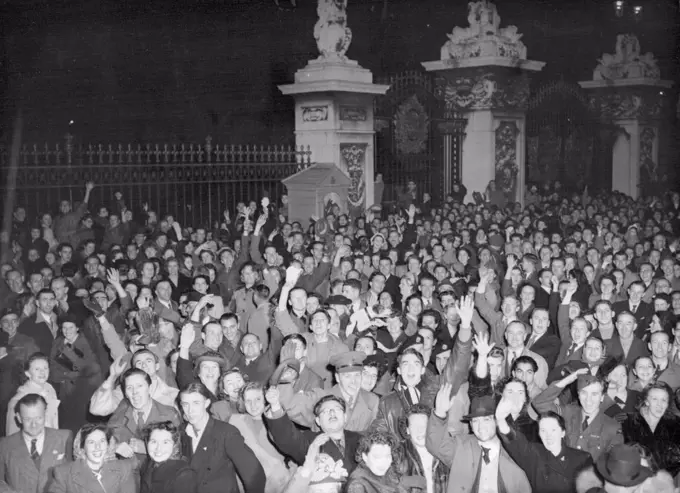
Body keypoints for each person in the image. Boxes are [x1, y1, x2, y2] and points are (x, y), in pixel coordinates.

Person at [426, 383, 531, 493]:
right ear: (470, 424)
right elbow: (435, 445)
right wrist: (439, 413)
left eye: (486, 420)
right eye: (475, 421)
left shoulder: (513, 451)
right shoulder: (461, 446)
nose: (481, 427)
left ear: (496, 421)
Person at [179, 382, 266, 493]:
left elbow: (254, 473)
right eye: (185, 404)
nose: (190, 410)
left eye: (196, 403)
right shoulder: (181, 434)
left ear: (206, 403)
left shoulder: (226, 433)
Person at [496, 402, 593, 493]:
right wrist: (500, 419)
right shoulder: (535, 454)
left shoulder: (582, 459)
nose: (548, 435)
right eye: (543, 430)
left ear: (563, 432)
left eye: (553, 430)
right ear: (539, 434)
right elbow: (515, 441)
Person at [229, 382, 294, 493]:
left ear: (265, 399)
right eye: (248, 401)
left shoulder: (277, 420)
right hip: (245, 484)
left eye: (257, 399)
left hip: (278, 483)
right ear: (243, 403)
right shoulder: (235, 422)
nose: (253, 405)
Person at [0, 393, 73, 493]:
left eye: (38, 418)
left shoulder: (65, 437)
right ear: (19, 418)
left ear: (45, 414)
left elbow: (73, 478)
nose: (34, 425)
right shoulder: (4, 445)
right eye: (28, 419)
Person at [47, 423, 137, 493]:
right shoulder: (64, 473)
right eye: (91, 442)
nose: (97, 447)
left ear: (108, 444)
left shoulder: (124, 469)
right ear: (82, 447)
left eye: (102, 441)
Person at [6, 352, 60, 436]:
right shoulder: (18, 399)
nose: (42, 372)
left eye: (45, 368)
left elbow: (53, 419)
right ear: (27, 373)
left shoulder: (49, 388)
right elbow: (11, 435)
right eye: (37, 369)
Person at [344, 431, 412, 493]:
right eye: (377, 457)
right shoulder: (357, 486)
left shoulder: (390, 473)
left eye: (387, 456)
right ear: (365, 457)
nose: (383, 462)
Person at [141, 420, 198, 493]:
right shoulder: (148, 466)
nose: (158, 448)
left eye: (165, 442)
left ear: (174, 445)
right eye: (153, 441)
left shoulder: (184, 474)